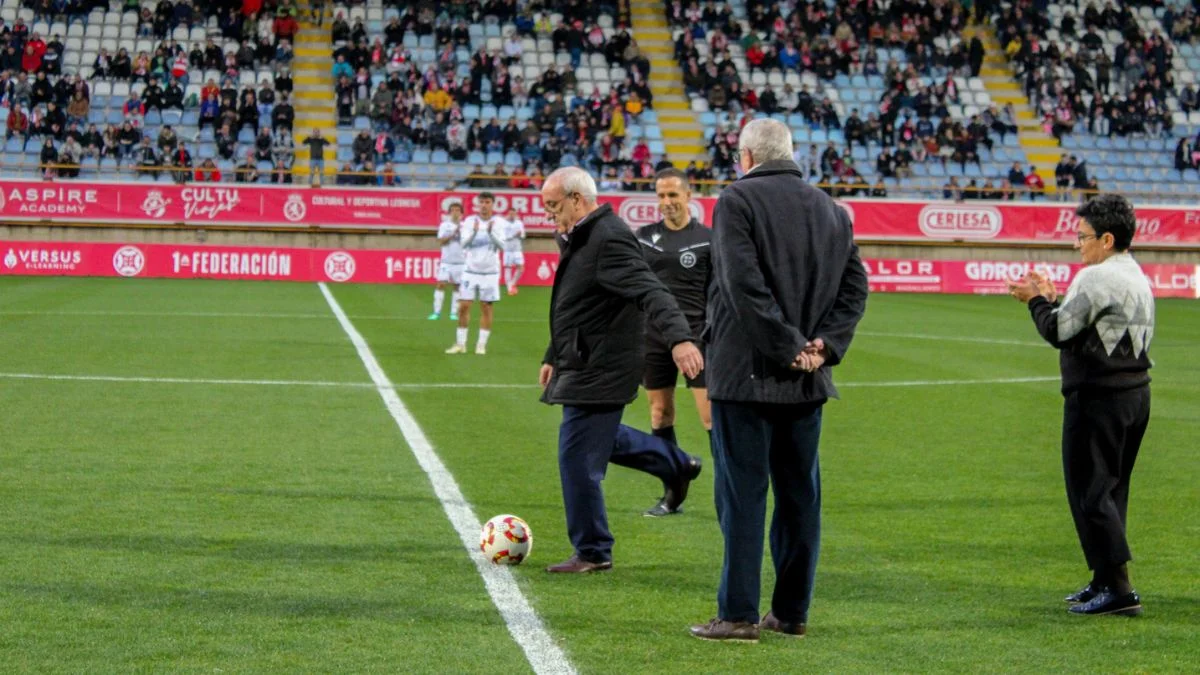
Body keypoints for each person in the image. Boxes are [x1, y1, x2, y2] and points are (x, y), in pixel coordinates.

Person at [690, 118, 868, 642]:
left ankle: (738, 614)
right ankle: (791, 612)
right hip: (806, 382)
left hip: (746, 376)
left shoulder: (736, 202)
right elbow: (856, 288)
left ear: (745, 156)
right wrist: (823, 346)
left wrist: (789, 347)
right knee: (799, 498)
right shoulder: (832, 211)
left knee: (743, 495)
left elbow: (742, 285)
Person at [538, 166, 705, 574]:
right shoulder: (585, 235)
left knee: (577, 455)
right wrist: (552, 354)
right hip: (582, 358)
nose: (548, 215)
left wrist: (681, 338)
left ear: (578, 200)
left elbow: (652, 291)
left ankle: (593, 550)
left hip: (602, 365)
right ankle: (676, 462)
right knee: (604, 440)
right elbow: (578, 304)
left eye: (553, 206)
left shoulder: (608, 237)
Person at [1006, 194, 1154, 617]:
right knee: (1111, 490)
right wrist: (1054, 299)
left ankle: (1120, 590)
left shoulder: (1096, 278)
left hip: (1098, 397)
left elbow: (1059, 331)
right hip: (1134, 394)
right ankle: (1104, 578)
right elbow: (1078, 325)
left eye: (1082, 237)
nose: (1077, 245)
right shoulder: (1135, 273)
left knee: (1090, 491)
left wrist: (1035, 299)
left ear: (1106, 239)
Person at [632, 167, 710, 517]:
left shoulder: (709, 239)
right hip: (653, 338)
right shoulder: (644, 238)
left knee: (712, 417)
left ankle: (732, 494)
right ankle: (673, 489)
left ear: (689, 196)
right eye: (661, 196)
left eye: (673, 195)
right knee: (660, 414)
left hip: (699, 339)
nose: (667, 203)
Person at [445, 192, 506, 355]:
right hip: (471, 270)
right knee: (464, 306)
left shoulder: (499, 222)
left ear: (493, 204)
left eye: (487, 202)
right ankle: (460, 344)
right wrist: (474, 232)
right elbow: (464, 243)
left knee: (486, 307)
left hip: (490, 272)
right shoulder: (470, 221)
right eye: (482, 202)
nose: (484, 205)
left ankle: (481, 345)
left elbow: (502, 247)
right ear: (478, 205)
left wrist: (491, 233)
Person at [429, 201, 466, 321]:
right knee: (441, 284)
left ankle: (453, 313)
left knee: (457, 287)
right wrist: (452, 235)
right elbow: (441, 241)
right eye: (453, 210)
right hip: (446, 261)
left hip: (461, 262)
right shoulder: (445, 225)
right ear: (449, 213)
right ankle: (436, 312)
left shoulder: (466, 226)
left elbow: (469, 243)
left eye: (457, 210)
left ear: (461, 213)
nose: (455, 212)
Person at [501, 207, 526, 295]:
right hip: (507, 249)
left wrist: (520, 235)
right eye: (510, 213)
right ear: (508, 214)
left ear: (515, 214)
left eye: (513, 213)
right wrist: (514, 235)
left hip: (517, 249)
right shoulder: (503, 224)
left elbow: (523, 235)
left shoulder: (519, 223)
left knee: (521, 268)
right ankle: (509, 288)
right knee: (508, 268)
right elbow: (503, 237)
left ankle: (512, 284)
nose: (512, 215)